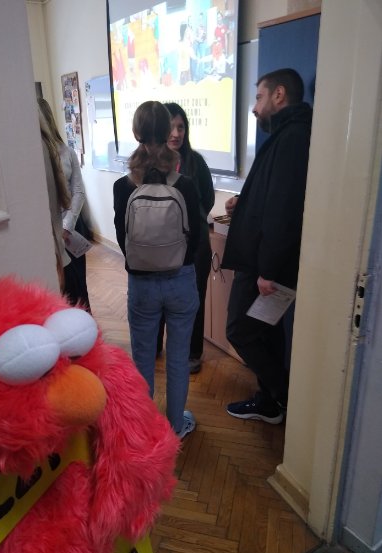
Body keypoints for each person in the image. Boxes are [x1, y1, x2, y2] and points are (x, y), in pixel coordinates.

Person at [221, 68, 313, 424]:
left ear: (278, 95)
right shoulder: (287, 134)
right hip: (264, 262)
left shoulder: (293, 137)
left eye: (259, 97)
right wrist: (242, 204)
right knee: (267, 330)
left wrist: (268, 271)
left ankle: (283, 394)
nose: (254, 107)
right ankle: (269, 403)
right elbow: (271, 195)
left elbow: (284, 209)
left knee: (239, 331)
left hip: (265, 266)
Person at [113, 101, 200, 439]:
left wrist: (144, 261)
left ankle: (145, 430)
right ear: (168, 132)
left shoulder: (123, 186)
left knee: (143, 360)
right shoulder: (185, 184)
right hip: (181, 281)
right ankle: (176, 426)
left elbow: (123, 238)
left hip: (142, 285)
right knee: (178, 359)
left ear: (136, 133)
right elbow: (194, 239)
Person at [156, 103, 215, 374]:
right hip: (161, 244)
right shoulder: (152, 162)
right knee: (160, 294)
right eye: (171, 127)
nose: (176, 133)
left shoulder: (196, 162)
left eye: (181, 127)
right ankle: (156, 345)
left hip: (196, 243)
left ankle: (193, 353)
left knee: (194, 298)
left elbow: (208, 199)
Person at [37, 98, 91, 312]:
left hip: (71, 228)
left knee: (78, 287)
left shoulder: (67, 152)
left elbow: (78, 191)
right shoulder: (32, 157)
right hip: (50, 231)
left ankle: (85, 324)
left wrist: (67, 226)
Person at [38, 108, 71, 290]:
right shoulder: (44, 149)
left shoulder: (63, 151)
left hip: (65, 227)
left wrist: (68, 225)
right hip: (56, 233)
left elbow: (77, 192)